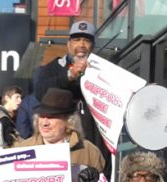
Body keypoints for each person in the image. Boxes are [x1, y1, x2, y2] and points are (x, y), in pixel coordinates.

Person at [32, 21, 109, 167]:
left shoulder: (104, 72)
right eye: (76, 40)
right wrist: (69, 76)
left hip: (93, 145)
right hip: (58, 147)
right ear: (68, 44)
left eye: (86, 40)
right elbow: (41, 92)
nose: (81, 44)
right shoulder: (51, 69)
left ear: (93, 46)